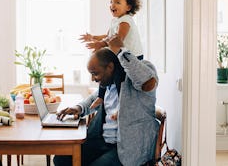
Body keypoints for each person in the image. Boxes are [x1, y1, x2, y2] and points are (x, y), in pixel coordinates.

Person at [54, 35, 159, 166]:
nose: (93, 79)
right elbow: (93, 98)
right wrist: (78, 108)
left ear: (110, 67)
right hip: (102, 142)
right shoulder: (109, 83)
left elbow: (147, 82)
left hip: (127, 149)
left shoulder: (140, 71)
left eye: (95, 73)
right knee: (61, 158)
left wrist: (120, 51)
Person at [79, 0, 144, 112]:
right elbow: (108, 36)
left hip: (133, 58)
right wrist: (93, 37)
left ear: (128, 7)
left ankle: (121, 105)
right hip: (121, 55)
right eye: (111, 2)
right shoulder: (115, 20)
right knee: (104, 71)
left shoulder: (125, 21)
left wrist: (101, 44)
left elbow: (118, 39)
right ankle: (101, 97)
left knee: (119, 77)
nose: (112, 5)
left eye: (117, 2)